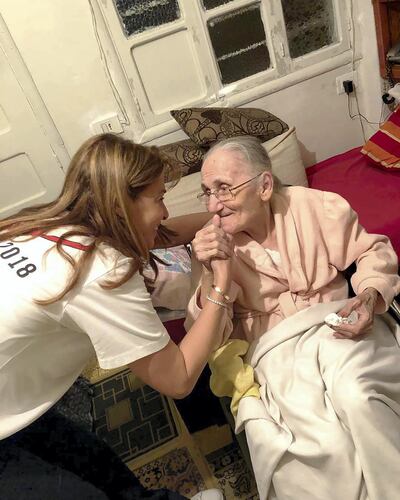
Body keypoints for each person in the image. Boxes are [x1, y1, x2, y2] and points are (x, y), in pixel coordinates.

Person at [0, 133, 229, 500]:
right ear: (123, 205)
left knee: (91, 460)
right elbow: (178, 378)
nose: (166, 211)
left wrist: (224, 219)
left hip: (11, 396)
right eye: (160, 199)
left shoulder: (51, 223)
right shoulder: (100, 271)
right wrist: (221, 284)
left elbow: (163, 233)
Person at [186, 135, 400, 500]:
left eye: (223, 189)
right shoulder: (212, 245)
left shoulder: (314, 207)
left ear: (265, 186)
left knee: (358, 397)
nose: (213, 205)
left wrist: (367, 296)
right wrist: (212, 274)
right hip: (277, 349)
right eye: (206, 192)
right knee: (321, 441)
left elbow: (373, 251)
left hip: (338, 326)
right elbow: (204, 331)